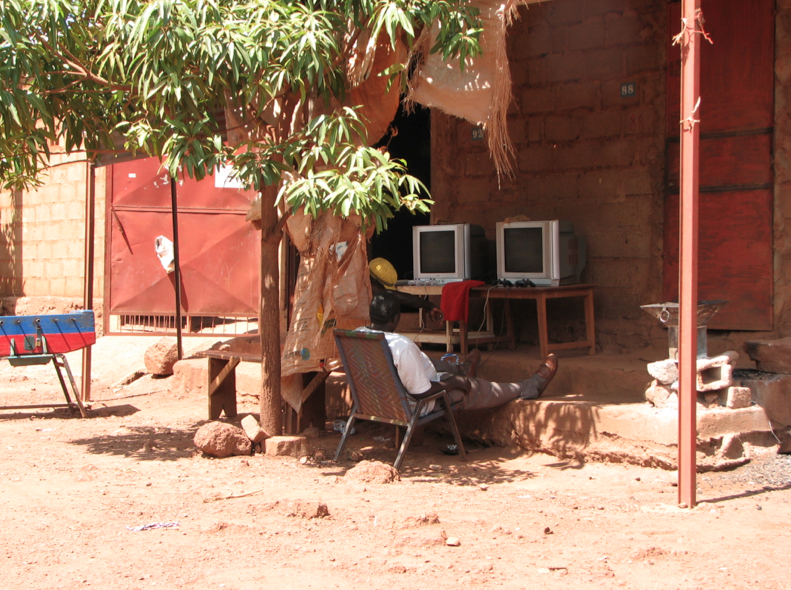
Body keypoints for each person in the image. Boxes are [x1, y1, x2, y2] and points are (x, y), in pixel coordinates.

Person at [361, 291, 558, 413]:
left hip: (380, 402)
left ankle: (463, 369)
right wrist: (454, 382)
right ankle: (527, 388)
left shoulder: (356, 337)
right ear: (396, 318)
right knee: (474, 388)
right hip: (417, 404)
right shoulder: (401, 346)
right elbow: (421, 393)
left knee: (422, 359)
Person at [369, 257, 444, 323]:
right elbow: (407, 299)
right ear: (375, 281)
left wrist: (430, 306)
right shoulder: (370, 287)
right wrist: (430, 306)